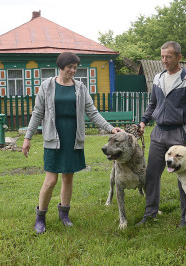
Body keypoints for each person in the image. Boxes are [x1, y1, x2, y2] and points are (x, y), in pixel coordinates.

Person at [22, 52, 123, 233]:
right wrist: (28, 137)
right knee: (51, 180)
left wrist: (110, 128)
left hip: (73, 138)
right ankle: (40, 216)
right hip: (53, 138)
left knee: (68, 177)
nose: (73, 71)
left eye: (75, 68)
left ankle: (64, 214)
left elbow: (92, 112)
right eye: (69, 67)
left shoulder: (80, 88)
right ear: (60, 67)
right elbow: (37, 113)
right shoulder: (47, 86)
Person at [137, 41, 186, 228]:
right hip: (158, 133)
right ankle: (150, 214)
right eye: (162, 56)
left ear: (179, 57)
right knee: (152, 174)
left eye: (169, 57)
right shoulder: (158, 78)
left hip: (179, 133)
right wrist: (143, 122)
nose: (164, 60)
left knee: (185, 177)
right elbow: (152, 105)